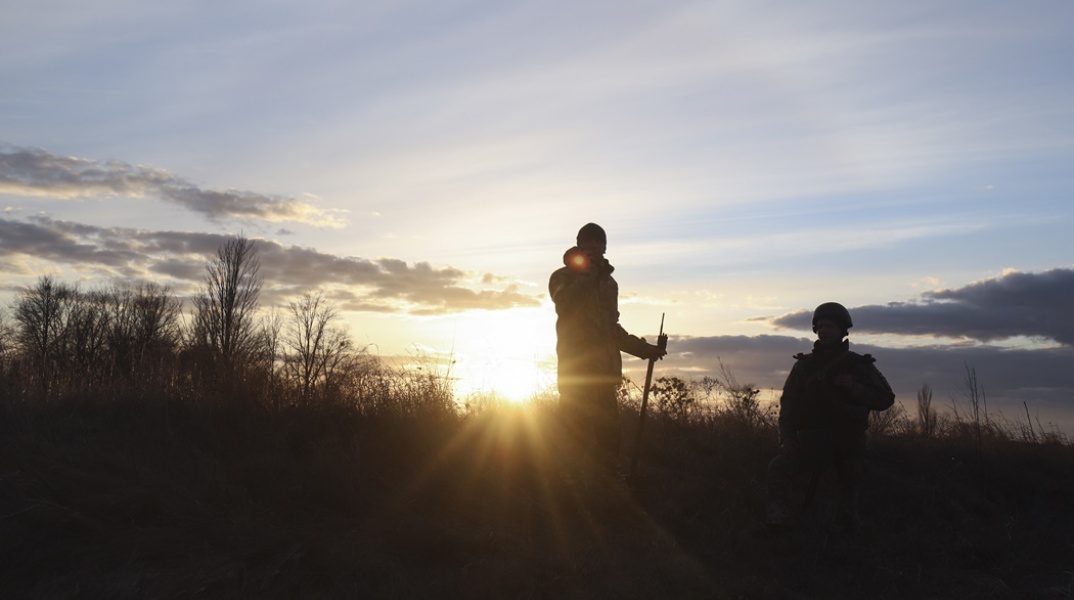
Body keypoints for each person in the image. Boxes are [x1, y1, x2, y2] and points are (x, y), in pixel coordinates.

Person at [765, 302, 895, 532]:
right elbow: (789, 404)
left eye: (830, 326)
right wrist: (786, 437)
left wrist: (854, 388)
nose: (824, 330)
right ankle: (778, 524)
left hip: (848, 443)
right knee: (779, 467)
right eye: (820, 326)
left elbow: (885, 399)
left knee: (852, 476)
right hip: (810, 441)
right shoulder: (804, 366)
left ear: (843, 330)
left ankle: (847, 531)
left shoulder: (859, 365)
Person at [549, 223, 667, 472]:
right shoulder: (562, 276)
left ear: (604, 246)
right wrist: (586, 274)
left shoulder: (609, 283)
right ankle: (564, 496)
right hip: (576, 375)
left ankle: (606, 497)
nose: (593, 246)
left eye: (598, 242)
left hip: (605, 376)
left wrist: (645, 350)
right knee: (571, 443)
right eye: (587, 241)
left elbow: (611, 328)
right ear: (579, 244)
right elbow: (565, 308)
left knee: (608, 443)